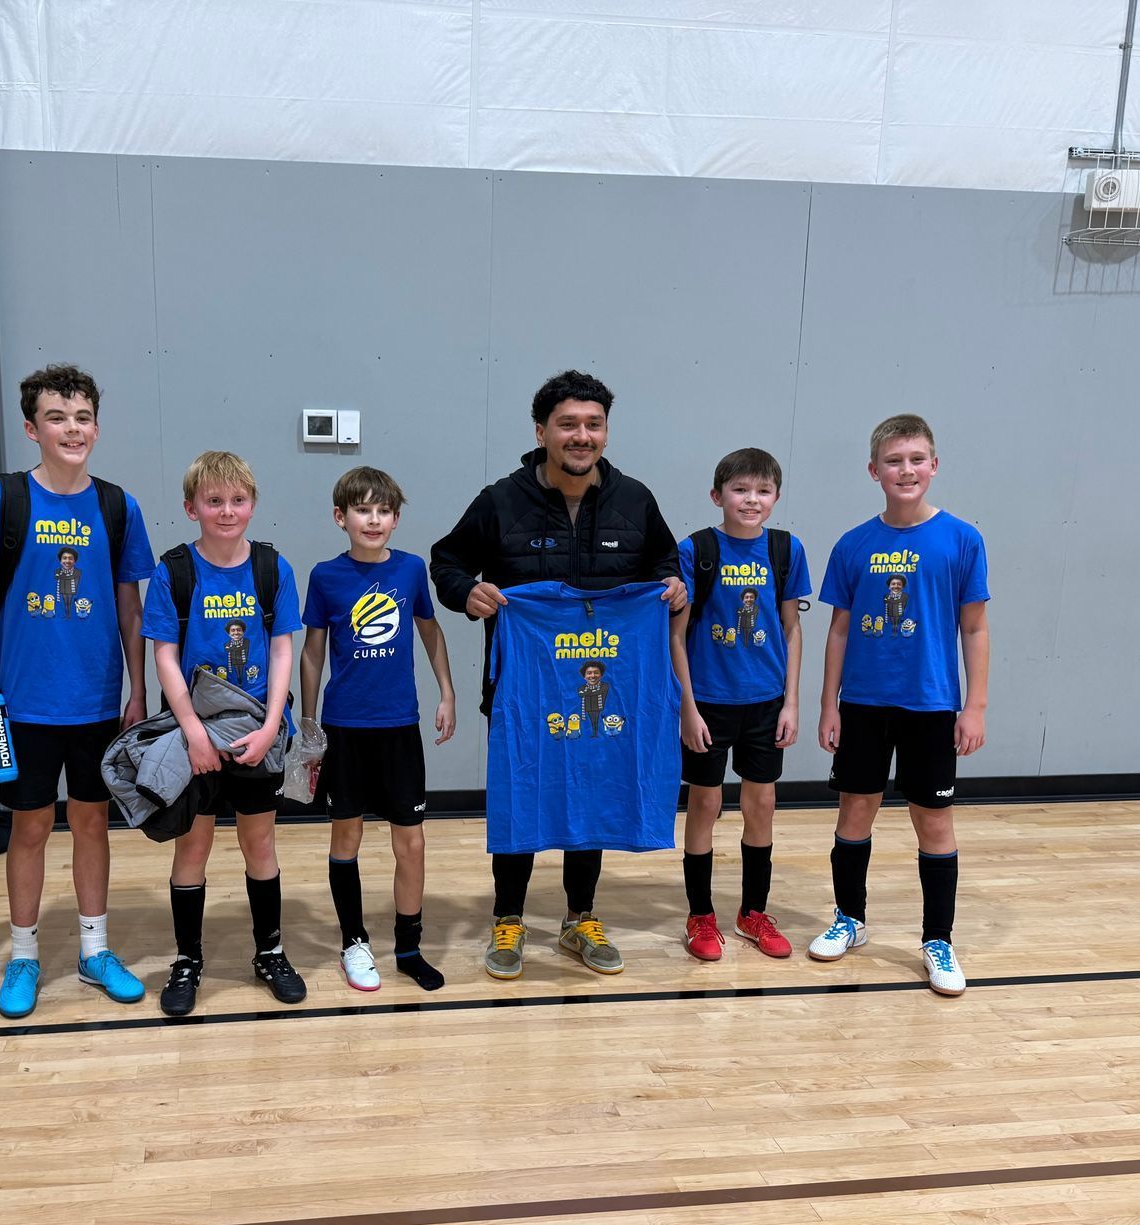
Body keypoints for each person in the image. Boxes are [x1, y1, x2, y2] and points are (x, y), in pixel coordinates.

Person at [430, 370, 684, 980]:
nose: (582, 435)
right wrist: (469, 592)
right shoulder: (501, 500)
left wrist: (676, 585)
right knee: (522, 789)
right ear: (542, 431)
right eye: (569, 424)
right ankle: (508, 919)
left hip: (606, 683)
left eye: (593, 424)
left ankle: (578, 917)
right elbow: (447, 561)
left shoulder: (635, 499)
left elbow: (666, 561)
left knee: (590, 788)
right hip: (525, 684)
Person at [0, 364, 156, 1019]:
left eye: (83, 417)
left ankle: (94, 950)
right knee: (31, 827)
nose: (72, 429)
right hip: (22, 702)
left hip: (96, 701)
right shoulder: (2, 502)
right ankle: (24, 954)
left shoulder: (118, 507)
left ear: (97, 426)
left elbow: (131, 609)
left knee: (93, 821)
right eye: (58, 418)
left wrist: (138, 689)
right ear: (32, 428)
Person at [811, 414, 990, 995]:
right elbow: (837, 631)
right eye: (894, 461)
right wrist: (828, 705)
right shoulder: (854, 544)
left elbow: (975, 629)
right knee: (854, 812)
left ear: (933, 466)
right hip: (863, 702)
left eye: (916, 459)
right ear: (874, 471)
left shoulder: (962, 539)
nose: (906, 470)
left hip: (932, 705)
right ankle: (849, 920)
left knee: (933, 821)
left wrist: (975, 706)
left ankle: (938, 940)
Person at [142, 450, 305, 1017]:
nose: (226, 510)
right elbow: (164, 656)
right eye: (214, 501)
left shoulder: (271, 568)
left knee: (259, 844)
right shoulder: (174, 572)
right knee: (195, 846)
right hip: (198, 738)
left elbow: (283, 648)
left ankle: (271, 951)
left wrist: (270, 726)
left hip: (255, 733)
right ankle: (187, 960)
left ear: (253, 505)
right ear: (192, 508)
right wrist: (191, 732)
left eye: (237, 500)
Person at [299, 466, 457, 993]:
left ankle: (409, 947)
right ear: (340, 517)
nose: (374, 519)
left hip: (398, 729)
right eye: (362, 510)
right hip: (344, 729)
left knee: (410, 843)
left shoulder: (411, 570)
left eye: (383, 510)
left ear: (395, 517)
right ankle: (353, 944)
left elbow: (431, 633)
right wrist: (308, 722)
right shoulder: (325, 576)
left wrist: (447, 694)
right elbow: (313, 652)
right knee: (347, 836)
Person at [669, 448, 812, 963]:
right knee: (705, 804)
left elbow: (792, 631)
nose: (751, 500)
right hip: (708, 703)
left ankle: (753, 911)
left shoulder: (785, 550)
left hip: (766, 703)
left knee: (762, 804)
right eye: (740, 490)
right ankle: (700, 915)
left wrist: (792, 702)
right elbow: (677, 637)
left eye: (763, 491)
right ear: (717, 495)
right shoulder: (695, 550)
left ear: (775, 497)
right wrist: (687, 707)